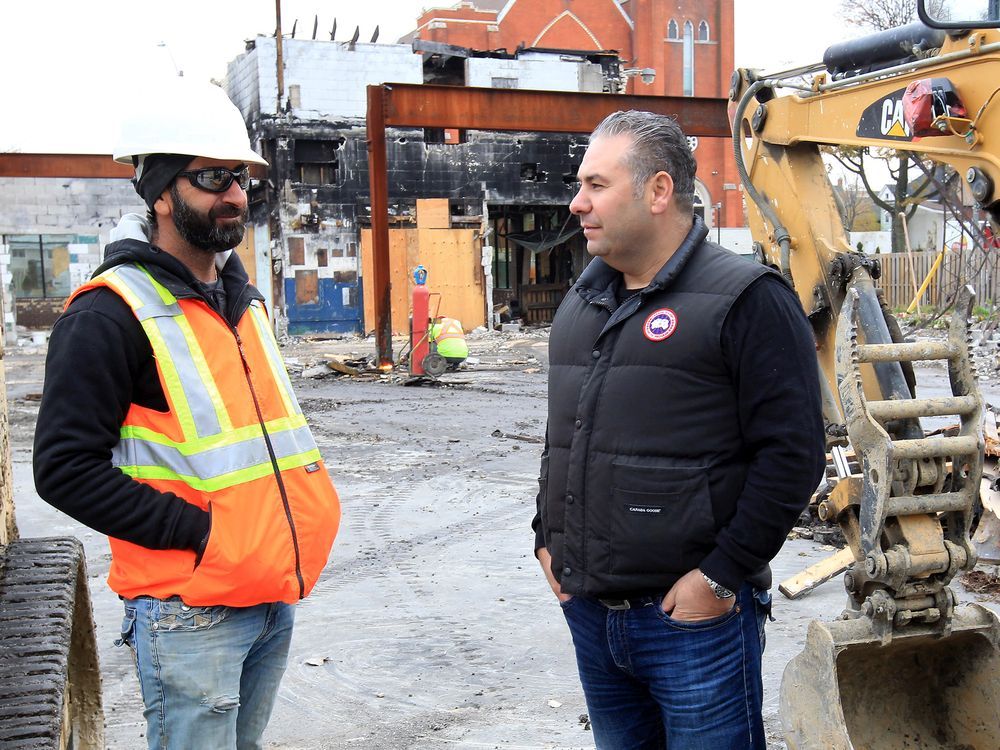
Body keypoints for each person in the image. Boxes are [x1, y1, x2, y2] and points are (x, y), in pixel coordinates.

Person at [33, 80, 341, 750]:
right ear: (161, 192)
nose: (234, 194)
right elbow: (62, 470)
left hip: (268, 594)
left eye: (240, 177)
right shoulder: (108, 314)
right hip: (190, 609)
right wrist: (200, 532)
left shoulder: (242, 300)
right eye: (210, 178)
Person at [531, 110, 825, 749]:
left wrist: (721, 574)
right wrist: (546, 541)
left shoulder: (749, 298)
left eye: (597, 185)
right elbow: (565, 437)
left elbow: (795, 455)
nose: (577, 202)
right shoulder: (583, 303)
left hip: (694, 624)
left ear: (658, 191)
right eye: (581, 184)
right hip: (590, 614)